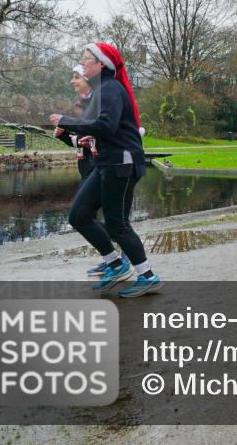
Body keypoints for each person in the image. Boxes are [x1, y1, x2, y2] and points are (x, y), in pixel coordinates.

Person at [50, 42, 162, 297]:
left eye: (87, 58)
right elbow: (97, 127)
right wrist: (71, 131)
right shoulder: (101, 90)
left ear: (101, 64)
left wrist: (67, 122)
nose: (83, 62)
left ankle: (147, 276)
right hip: (105, 164)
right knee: (78, 216)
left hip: (121, 164)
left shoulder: (110, 89)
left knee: (117, 224)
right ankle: (115, 264)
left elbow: (106, 127)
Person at [54, 64, 128, 275]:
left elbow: (105, 131)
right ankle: (113, 258)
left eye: (77, 76)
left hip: (105, 166)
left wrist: (82, 136)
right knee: (87, 216)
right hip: (88, 168)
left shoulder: (104, 97)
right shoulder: (85, 103)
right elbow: (82, 141)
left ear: (88, 80)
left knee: (103, 218)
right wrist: (65, 137)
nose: (73, 81)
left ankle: (123, 258)